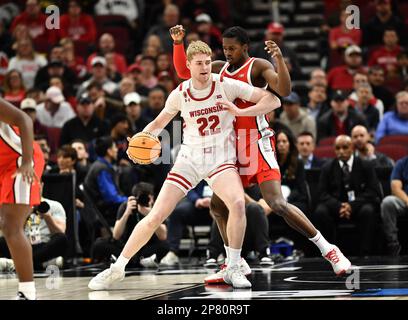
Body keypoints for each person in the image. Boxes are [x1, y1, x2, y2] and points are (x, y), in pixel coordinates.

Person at [88, 40, 280, 290]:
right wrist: (140, 140)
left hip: (220, 160)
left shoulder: (225, 84)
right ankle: (117, 269)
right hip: (189, 159)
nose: (205, 67)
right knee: (156, 215)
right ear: (188, 65)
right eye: (199, 63)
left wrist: (240, 111)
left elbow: (273, 101)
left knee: (238, 204)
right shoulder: (180, 93)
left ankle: (233, 266)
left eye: (208, 62)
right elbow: (158, 123)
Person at [171, 25, 351, 283]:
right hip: (231, 146)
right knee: (218, 206)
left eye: (232, 48)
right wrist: (178, 44)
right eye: (225, 48)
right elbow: (182, 71)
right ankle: (234, 262)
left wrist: (278, 60)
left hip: (257, 142)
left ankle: (329, 249)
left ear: (245, 47)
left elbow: (284, 90)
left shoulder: (257, 66)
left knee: (277, 203)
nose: (228, 52)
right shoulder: (219, 67)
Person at [0, 97, 45, 300]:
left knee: (11, 226)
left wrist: (27, 161)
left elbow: (24, 119)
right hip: (2, 165)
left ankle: (27, 293)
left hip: (22, 158)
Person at [312, 135, 382, 256]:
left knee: (368, 211)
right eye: (338, 148)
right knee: (320, 212)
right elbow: (322, 193)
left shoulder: (366, 165)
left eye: (345, 147)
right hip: (336, 207)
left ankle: (365, 252)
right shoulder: (327, 167)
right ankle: (330, 252)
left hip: (358, 205)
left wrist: (351, 205)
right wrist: (339, 206)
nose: (341, 151)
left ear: (352, 148)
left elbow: (373, 191)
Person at [91, 182, 169, 267]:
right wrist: (126, 213)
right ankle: (134, 260)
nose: (147, 200)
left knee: (165, 245)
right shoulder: (126, 207)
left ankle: (134, 260)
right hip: (126, 246)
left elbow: (163, 236)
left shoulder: (155, 208)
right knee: (99, 244)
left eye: (149, 197)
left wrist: (151, 215)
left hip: (147, 246)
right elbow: (116, 235)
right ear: (135, 198)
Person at [381, 156, 408, 256]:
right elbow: (395, 188)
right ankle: (393, 244)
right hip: (404, 200)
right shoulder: (401, 163)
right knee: (388, 202)